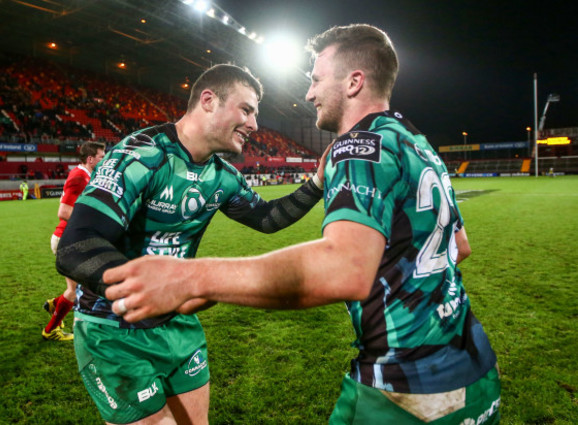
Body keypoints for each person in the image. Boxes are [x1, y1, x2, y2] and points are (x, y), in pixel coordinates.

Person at [101, 24, 501, 424]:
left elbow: (343, 269)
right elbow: (459, 245)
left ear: (354, 82)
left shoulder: (358, 145)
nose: (309, 93)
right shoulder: (415, 141)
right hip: (474, 368)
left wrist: (192, 277)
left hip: (406, 387)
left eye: (316, 80)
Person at [55, 64, 329, 425]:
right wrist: (147, 290)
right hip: (114, 333)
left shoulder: (224, 176)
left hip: (179, 326)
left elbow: (266, 218)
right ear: (209, 100)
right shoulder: (141, 155)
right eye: (246, 110)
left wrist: (316, 185)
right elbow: (77, 245)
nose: (254, 125)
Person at [42, 141, 106, 341]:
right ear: (90, 159)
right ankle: (51, 329)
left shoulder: (86, 174)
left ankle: (55, 305)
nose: (103, 160)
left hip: (70, 239)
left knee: (77, 288)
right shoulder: (79, 176)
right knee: (76, 290)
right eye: (101, 157)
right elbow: (63, 211)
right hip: (67, 240)